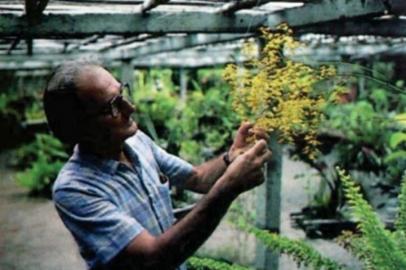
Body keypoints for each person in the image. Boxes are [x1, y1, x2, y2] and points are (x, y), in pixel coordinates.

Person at [43, 60, 272, 270]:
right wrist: (229, 186)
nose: (130, 107)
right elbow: (152, 259)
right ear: (79, 126)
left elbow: (196, 178)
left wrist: (230, 158)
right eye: (113, 106)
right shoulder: (75, 189)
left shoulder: (136, 141)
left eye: (123, 93)